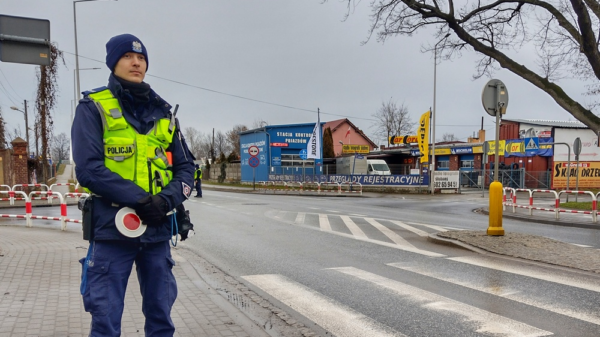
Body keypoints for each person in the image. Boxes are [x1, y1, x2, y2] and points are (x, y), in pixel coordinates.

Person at [72, 33, 195, 337]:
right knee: (105, 320)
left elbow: (186, 168)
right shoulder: (93, 107)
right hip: (112, 230)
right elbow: (89, 170)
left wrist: (165, 202)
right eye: (127, 56)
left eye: (141, 58)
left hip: (156, 231)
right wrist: (142, 200)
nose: (136, 62)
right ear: (113, 63)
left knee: (161, 318)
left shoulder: (164, 114)